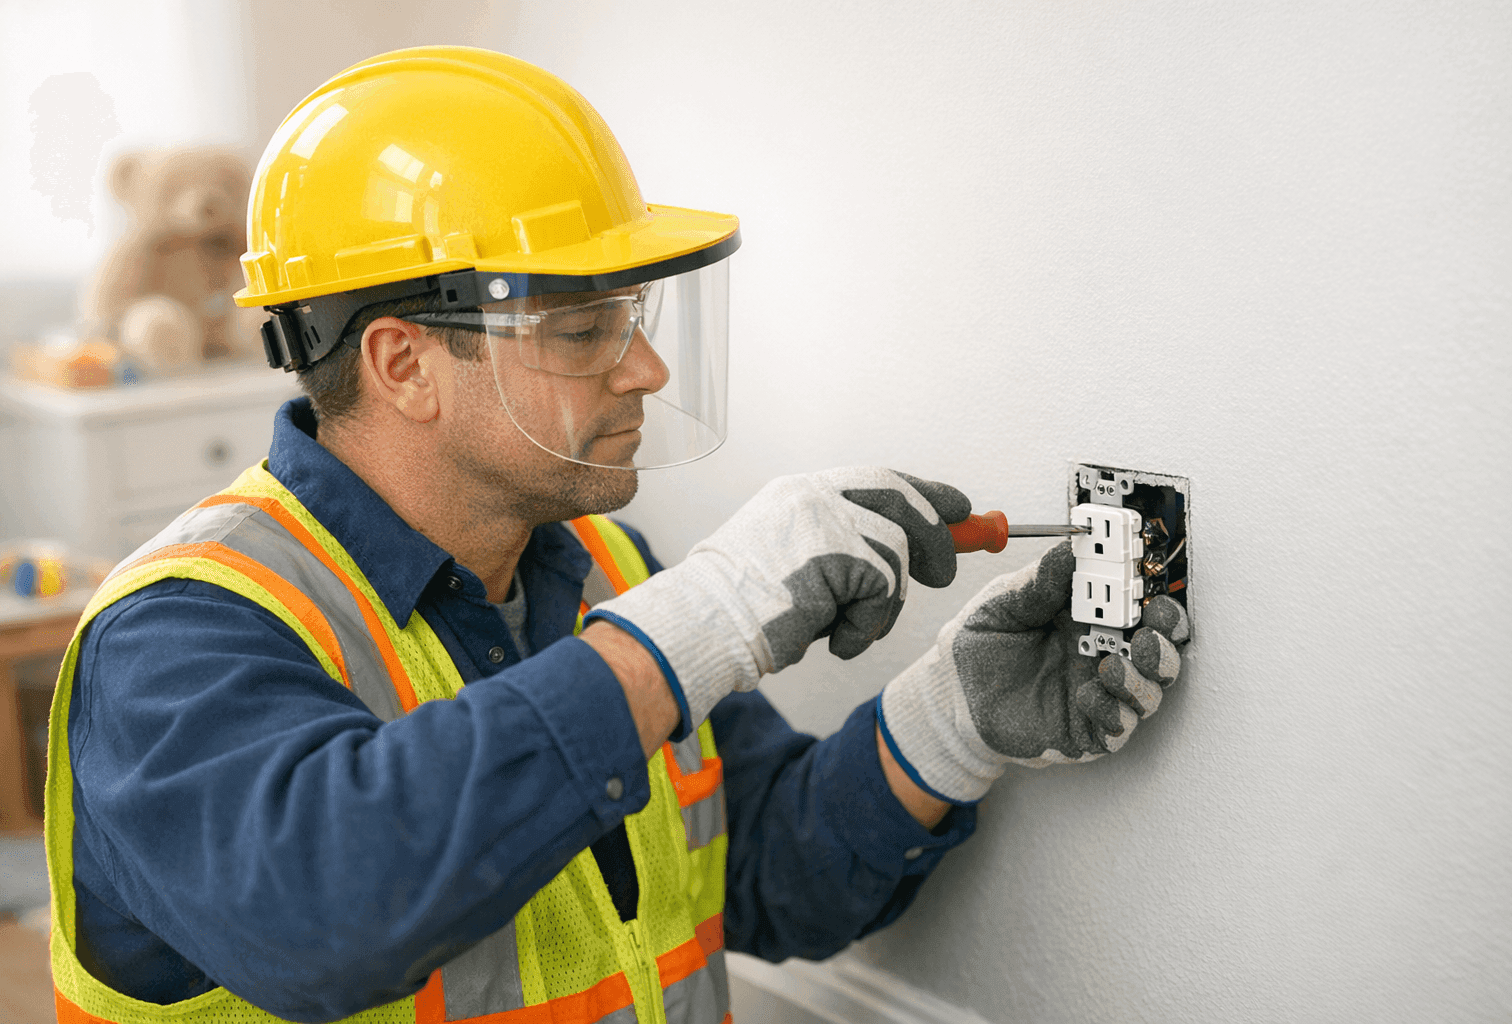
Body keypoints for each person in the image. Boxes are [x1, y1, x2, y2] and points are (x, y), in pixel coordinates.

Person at [43, 47, 1189, 1024]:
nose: (646, 368)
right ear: (404, 364)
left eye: (631, 320)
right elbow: (324, 910)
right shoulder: (179, 635)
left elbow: (754, 872)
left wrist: (949, 724)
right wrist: (706, 619)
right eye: (585, 327)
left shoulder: (600, 574)